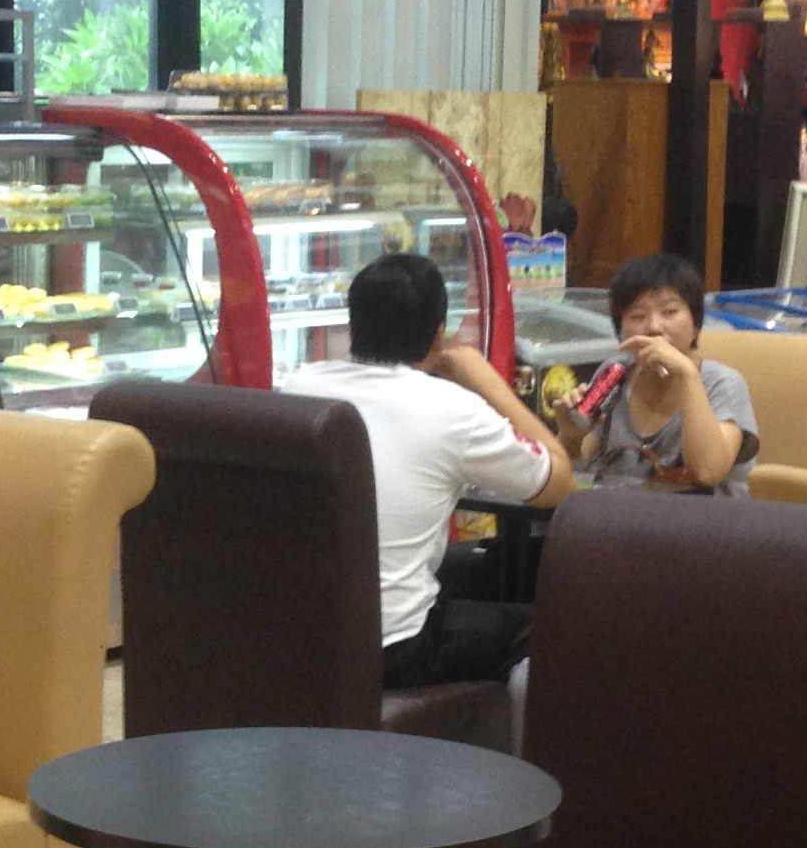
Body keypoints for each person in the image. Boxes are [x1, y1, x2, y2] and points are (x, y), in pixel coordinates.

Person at [283, 251, 570, 687]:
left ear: (352, 326)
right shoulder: (454, 409)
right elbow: (558, 483)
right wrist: (487, 381)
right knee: (549, 624)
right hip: (391, 647)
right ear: (438, 336)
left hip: (298, 633)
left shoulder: (298, 384)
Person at [550, 251, 759, 495]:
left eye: (669, 312)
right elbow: (578, 468)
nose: (653, 328)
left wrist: (687, 374)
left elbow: (707, 472)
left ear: (696, 324)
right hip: (618, 514)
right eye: (637, 316)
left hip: (701, 517)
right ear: (621, 332)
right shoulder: (614, 373)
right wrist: (570, 437)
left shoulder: (723, 383)